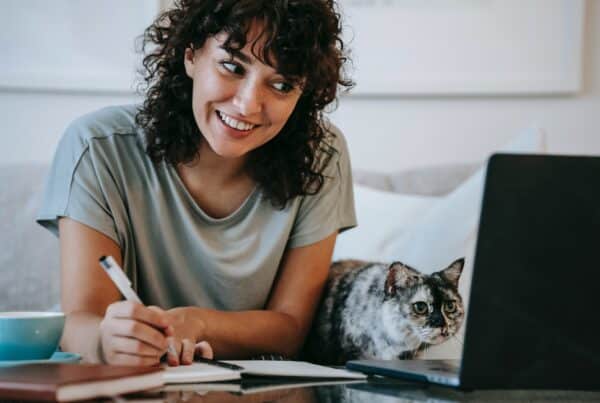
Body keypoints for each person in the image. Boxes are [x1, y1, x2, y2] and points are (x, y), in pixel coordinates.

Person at [37, 0, 355, 367]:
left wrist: (198, 323)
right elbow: (80, 321)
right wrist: (106, 342)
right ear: (191, 54)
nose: (248, 104)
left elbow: (290, 329)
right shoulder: (96, 148)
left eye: (282, 84)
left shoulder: (321, 156)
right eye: (232, 66)